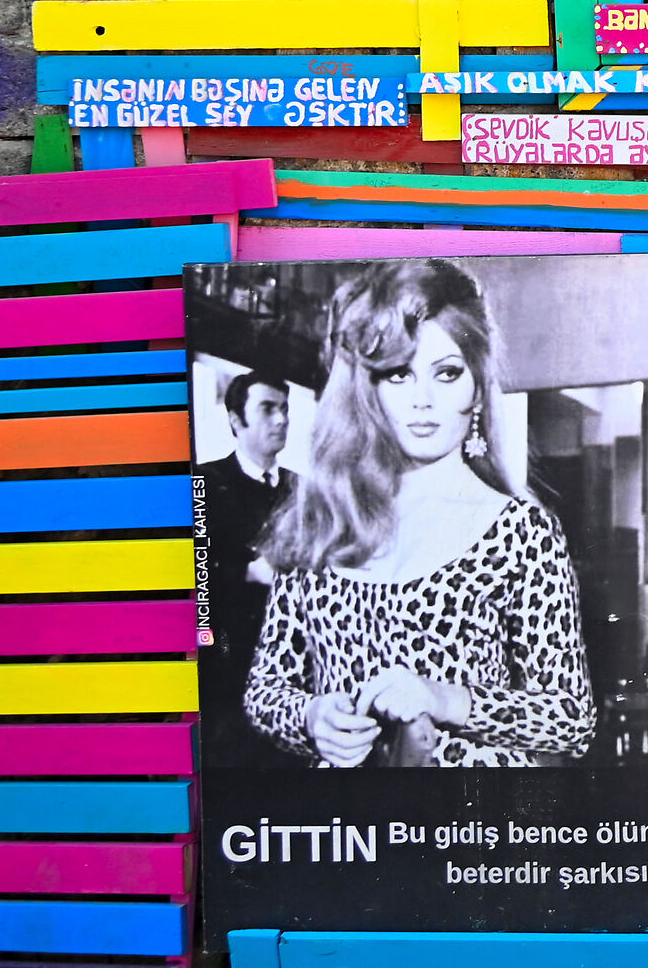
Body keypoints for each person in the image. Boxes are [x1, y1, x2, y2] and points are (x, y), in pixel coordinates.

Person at [246, 260, 595, 768]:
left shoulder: (521, 532)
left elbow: (571, 720)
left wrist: (444, 699)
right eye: (399, 374)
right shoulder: (321, 520)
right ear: (368, 390)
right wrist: (310, 715)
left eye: (446, 373)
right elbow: (265, 689)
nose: (422, 400)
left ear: (477, 387)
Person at [198, 369, 295, 765]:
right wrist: (247, 573)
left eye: (285, 409)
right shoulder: (205, 483)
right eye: (268, 409)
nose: (281, 419)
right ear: (236, 420)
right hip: (226, 659)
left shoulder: (302, 490)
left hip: (290, 665)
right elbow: (193, 575)